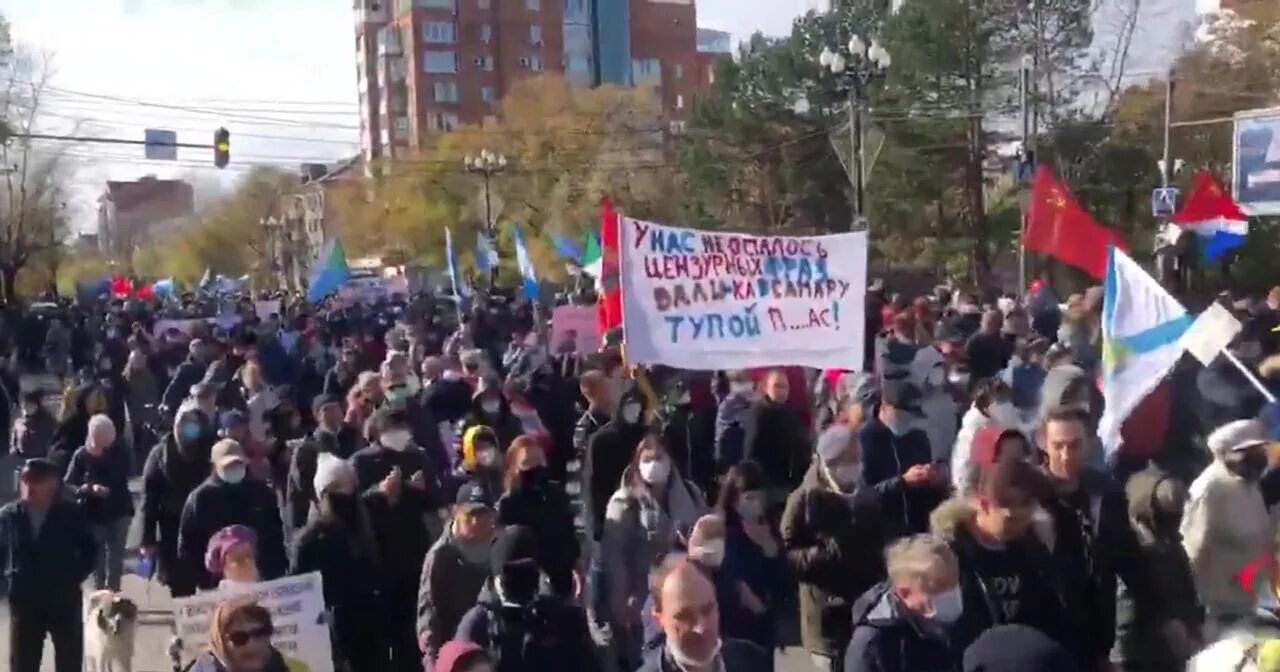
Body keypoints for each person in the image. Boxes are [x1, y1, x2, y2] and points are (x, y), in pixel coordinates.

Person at [1036, 406, 1158, 668]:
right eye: (1058, 446)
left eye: (1074, 445)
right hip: (1048, 636)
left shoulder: (1105, 494)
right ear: (1043, 444)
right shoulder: (1031, 497)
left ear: (1090, 444)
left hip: (1096, 633)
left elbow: (1128, 560)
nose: (1066, 455)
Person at [929, 457, 1066, 652]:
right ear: (983, 504)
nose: (1019, 527)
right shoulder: (951, 553)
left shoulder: (1032, 546)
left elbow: (1052, 614)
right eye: (1011, 520)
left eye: (1025, 519)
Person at [781, 425, 888, 672]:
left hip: (864, 609)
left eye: (857, 458)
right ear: (829, 462)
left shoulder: (865, 492)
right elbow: (786, 555)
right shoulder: (803, 500)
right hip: (826, 620)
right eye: (847, 460)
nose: (855, 466)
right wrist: (826, 555)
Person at [351, 408, 444, 672]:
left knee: (414, 620)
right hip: (380, 552)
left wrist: (422, 490)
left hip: (414, 548)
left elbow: (435, 500)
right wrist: (378, 493)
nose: (401, 435)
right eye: (394, 430)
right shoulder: (362, 462)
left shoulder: (417, 456)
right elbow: (354, 507)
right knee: (387, 624)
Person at [602, 434, 707, 666]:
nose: (654, 465)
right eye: (647, 460)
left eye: (659, 458)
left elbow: (705, 533)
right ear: (637, 464)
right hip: (644, 602)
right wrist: (621, 598)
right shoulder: (625, 503)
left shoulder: (690, 493)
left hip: (686, 597)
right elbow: (615, 555)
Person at [454, 525, 600, 672]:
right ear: (495, 578)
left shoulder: (557, 619)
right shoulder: (479, 624)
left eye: (526, 574)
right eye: (511, 576)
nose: (520, 583)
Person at [1182, 418, 1276, 639]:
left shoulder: (1249, 486)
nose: (1257, 458)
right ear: (1226, 453)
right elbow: (1193, 549)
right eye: (1248, 452)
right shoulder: (1209, 489)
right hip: (1217, 606)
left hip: (1250, 599)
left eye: (1259, 450)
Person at [292, 453, 387, 671]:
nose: (347, 495)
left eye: (350, 487)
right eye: (338, 489)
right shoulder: (309, 540)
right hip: (334, 633)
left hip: (371, 625)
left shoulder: (365, 526)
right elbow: (302, 590)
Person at [0, 458, 97, 672]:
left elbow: (91, 550)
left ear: (52, 484)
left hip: (62, 600)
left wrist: (72, 576)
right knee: (22, 664)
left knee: (69, 662)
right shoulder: (9, 516)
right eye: (24, 481)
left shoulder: (71, 515)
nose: (28, 487)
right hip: (24, 602)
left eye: (35, 481)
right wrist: (9, 580)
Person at [1113, 463, 1203, 671]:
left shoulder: (1169, 544)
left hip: (1173, 649)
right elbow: (1126, 609)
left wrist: (1192, 624)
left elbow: (1185, 588)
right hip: (1143, 653)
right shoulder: (1131, 550)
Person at [177, 439, 288, 591]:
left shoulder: (261, 493)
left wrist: (273, 572)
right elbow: (189, 546)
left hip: (260, 580)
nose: (234, 469)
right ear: (215, 466)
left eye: (238, 464)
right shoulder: (200, 498)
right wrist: (205, 581)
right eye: (228, 465)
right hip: (217, 586)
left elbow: (275, 535)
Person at [845, 534, 963, 671]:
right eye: (938, 589)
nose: (951, 595)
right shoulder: (871, 649)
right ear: (905, 593)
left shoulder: (957, 620)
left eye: (954, 584)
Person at [637, 554, 773, 672]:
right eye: (685, 617)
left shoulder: (753, 661)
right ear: (659, 620)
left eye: (707, 610)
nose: (701, 628)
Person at [418, 481, 497, 663]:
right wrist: (431, 652)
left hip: (489, 643)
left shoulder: (499, 546)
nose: (476, 522)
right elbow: (429, 607)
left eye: (482, 514)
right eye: (470, 515)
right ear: (456, 513)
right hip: (454, 646)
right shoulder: (440, 555)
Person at [716, 461, 786, 660]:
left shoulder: (770, 528)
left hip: (763, 629)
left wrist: (770, 548)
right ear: (734, 500)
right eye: (749, 498)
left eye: (759, 497)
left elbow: (785, 585)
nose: (755, 503)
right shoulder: (724, 532)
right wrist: (739, 591)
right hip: (732, 630)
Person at [496, 434, 579, 598]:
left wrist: (577, 565)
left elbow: (569, 532)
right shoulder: (508, 505)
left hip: (562, 579)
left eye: (538, 461)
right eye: (528, 462)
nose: (535, 467)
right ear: (514, 467)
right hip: (529, 586)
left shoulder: (556, 494)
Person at [860, 380, 946, 538]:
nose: (907, 421)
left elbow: (926, 494)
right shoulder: (864, 440)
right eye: (903, 415)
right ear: (885, 407)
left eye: (912, 416)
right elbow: (863, 495)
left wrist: (932, 479)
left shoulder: (918, 436)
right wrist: (903, 481)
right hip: (882, 533)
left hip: (918, 531)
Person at [63, 413, 134, 591]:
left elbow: (127, 473)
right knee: (97, 557)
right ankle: (100, 594)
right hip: (93, 514)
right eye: (104, 439)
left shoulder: (120, 451)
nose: (108, 442)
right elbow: (68, 485)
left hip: (119, 510)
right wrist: (88, 489)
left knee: (116, 556)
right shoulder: (81, 456)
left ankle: (114, 593)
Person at [286, 394, 360, 529]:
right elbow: (301, 487)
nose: (333, 414)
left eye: (336, 408)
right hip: (324, 513)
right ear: (317, 415)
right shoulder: (307, 448)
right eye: (327, 410)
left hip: (354, 509)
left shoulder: (353, 436)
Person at [743, 369, 811, 496]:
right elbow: (751, 449)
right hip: (764, 483)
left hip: (788, 482)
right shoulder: (758, 414)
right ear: (767, 388)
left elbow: (799, 447)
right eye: (777, 386)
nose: (781, 391)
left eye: (785, 387)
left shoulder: (791, 413)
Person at [189, 597, 294, 672]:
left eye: (260, 633)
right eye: (238, 638)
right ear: (220, 642)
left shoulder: (282, 666)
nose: (251, 645)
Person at [205, 524, 260, 591]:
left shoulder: (269, 595)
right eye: (239, 559)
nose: (247, 562)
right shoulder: (218, 599)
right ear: (224, 568)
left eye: (249, 556)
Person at [965, 309, 1015, 382]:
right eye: (988, 322)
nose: (989, 325)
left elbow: (1008, 359)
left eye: (994, 323)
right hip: (978, 379)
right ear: (981, 322)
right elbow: (967, 361)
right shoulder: (974, 341)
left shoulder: (1002, 340)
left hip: (998, 379)